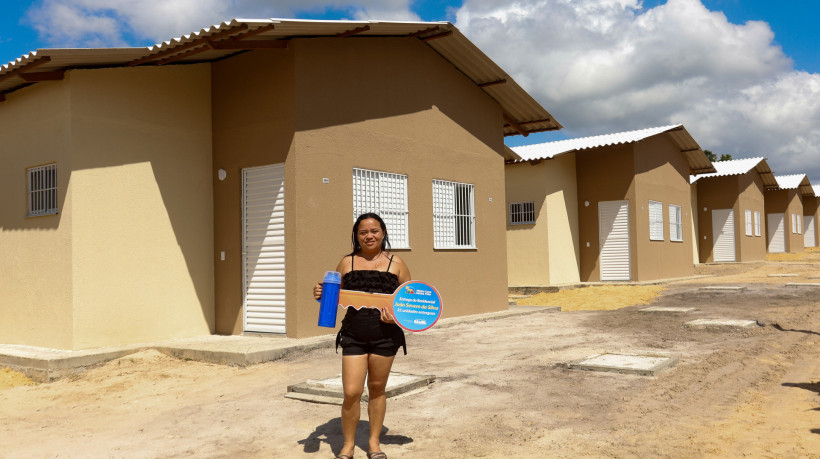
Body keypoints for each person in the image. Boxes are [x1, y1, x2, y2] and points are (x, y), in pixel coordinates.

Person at [313, 213, 410, 459]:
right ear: (356, 236)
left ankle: (374, 443)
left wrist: (395, 317)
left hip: (385, 336)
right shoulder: (346, 263)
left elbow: (407, 304)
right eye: (363, 232)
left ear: (383, 233)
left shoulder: (397, 263)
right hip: (354, 334)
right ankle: (347, 445)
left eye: (374, 231)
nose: (369, 236)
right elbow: (334, 296)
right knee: (352, 392)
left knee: (377, 389)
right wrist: (321, 294)